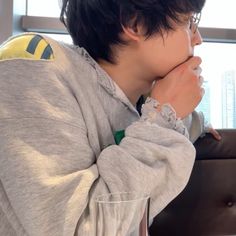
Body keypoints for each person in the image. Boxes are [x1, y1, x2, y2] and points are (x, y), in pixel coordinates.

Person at [0, 0, 221, 235]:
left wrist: (192, 120)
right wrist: (164, 117)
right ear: (134, 23)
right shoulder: (34, 67)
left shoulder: (142, 105)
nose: (198, 39)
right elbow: (76, 229)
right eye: (188, 22)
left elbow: (182, 122)